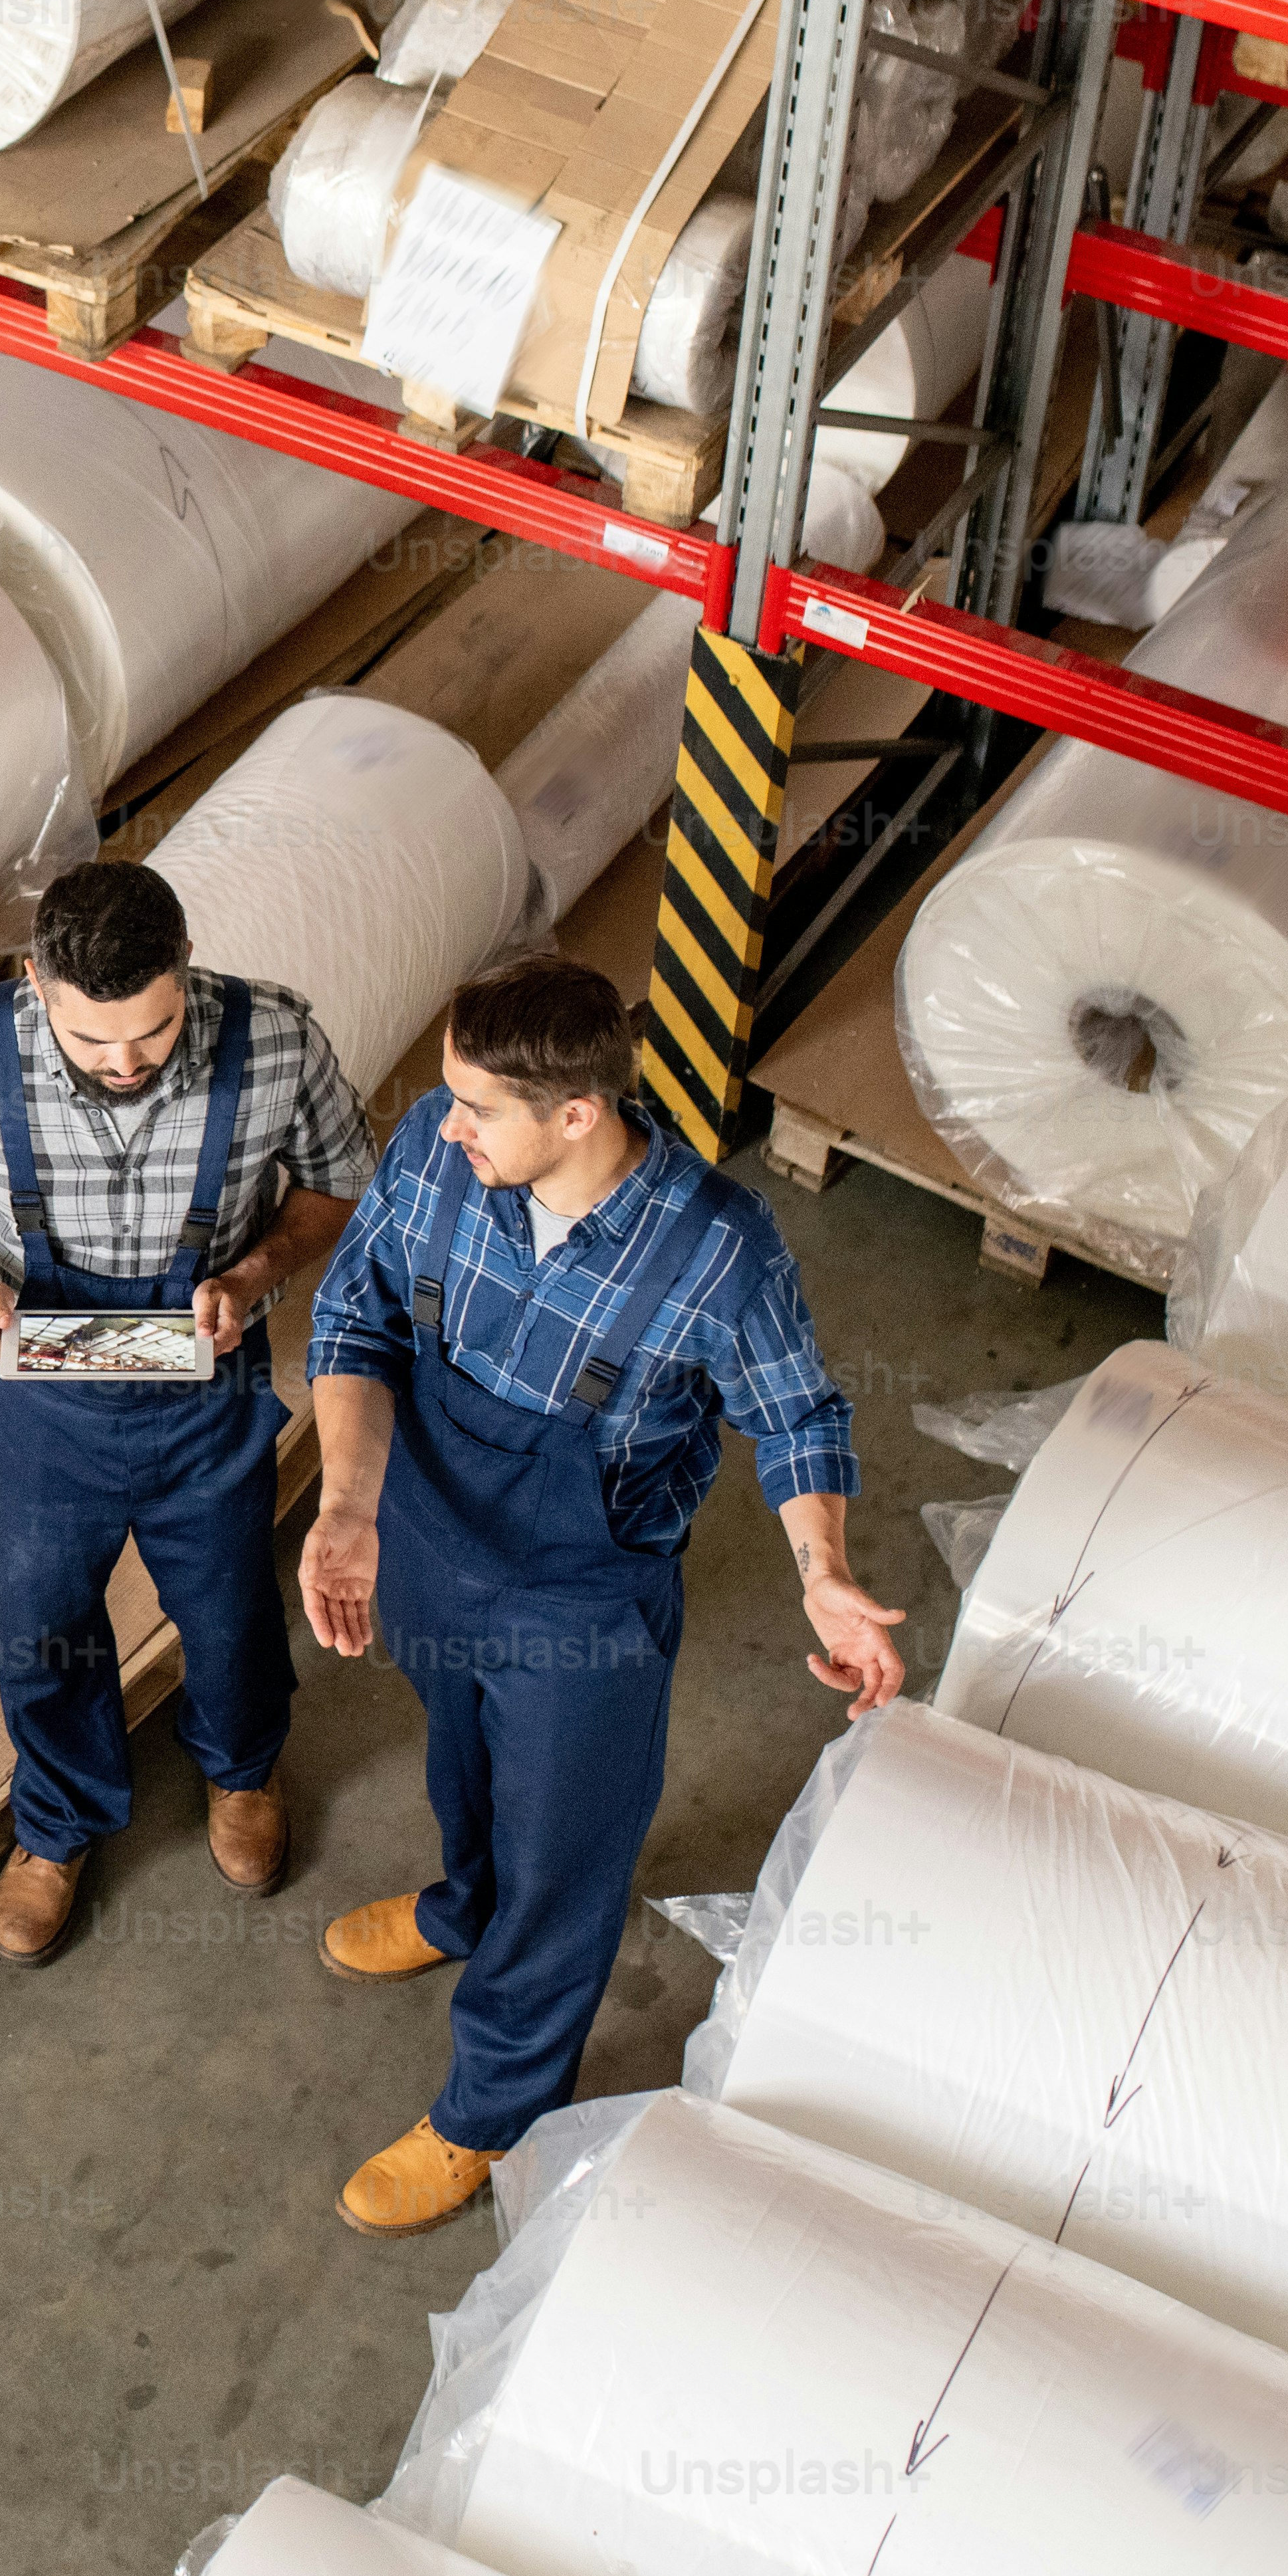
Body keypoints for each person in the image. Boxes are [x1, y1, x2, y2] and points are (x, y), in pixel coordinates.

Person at [296, 952, 893, 2236]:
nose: (442, 1124)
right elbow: (354, 1312)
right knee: (458, 1764)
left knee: (567, 1853)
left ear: (578, 1114)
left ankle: (494, 2108)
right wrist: (348, 1507)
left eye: (476, 1107)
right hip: (423, 1532)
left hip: (580, 1598)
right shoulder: (437, 1150)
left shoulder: (714, 1250)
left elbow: (794, 1416)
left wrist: (825, 1573)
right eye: (448, 1099)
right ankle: (464, 1905)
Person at [0, 860, 370, 1969]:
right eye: (95, 1042)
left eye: (151, 1030)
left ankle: (241, 1773)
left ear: (184, 964)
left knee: (230, 1610)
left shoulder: (274, 1040)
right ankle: (56, 1826)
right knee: (42, 1624)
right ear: (38, 980)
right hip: (40, 1392)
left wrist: (249, 1277)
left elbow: (336, 1181)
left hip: (207, 1380)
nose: (128, 1062)